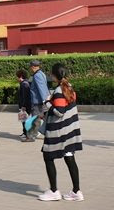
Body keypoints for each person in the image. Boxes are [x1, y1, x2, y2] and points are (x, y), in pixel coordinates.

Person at [38, 63, 83, 202]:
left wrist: (47, 103)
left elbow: (59, 112)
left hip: (59, 131)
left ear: (54, 75)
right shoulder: (69, 87)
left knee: (48, 157)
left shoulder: (58, 91)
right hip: (70, 130)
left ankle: (53, 191)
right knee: (69, 157)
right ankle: (76, 191)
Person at [29, 59, 50, 135]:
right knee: (44, 118)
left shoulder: (37, 75)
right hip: (41, 101)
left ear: (33, 67)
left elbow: (42, 88)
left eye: (30, 67)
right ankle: (46, 132)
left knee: (35, 119)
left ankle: (33, 135)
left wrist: (45, 100)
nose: (30, 69)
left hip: (37, 101)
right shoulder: (42, 74)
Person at [17, 69, 33, 141]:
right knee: (23, 120)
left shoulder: (24, 84)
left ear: (20, 76)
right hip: (24, 105)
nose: (17, 79)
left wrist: (23, 106)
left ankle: (27, 135)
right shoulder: (25, 83)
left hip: (24, 106)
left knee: (25, 121)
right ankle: (25, 133)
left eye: (17, 77)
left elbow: (25, 97)